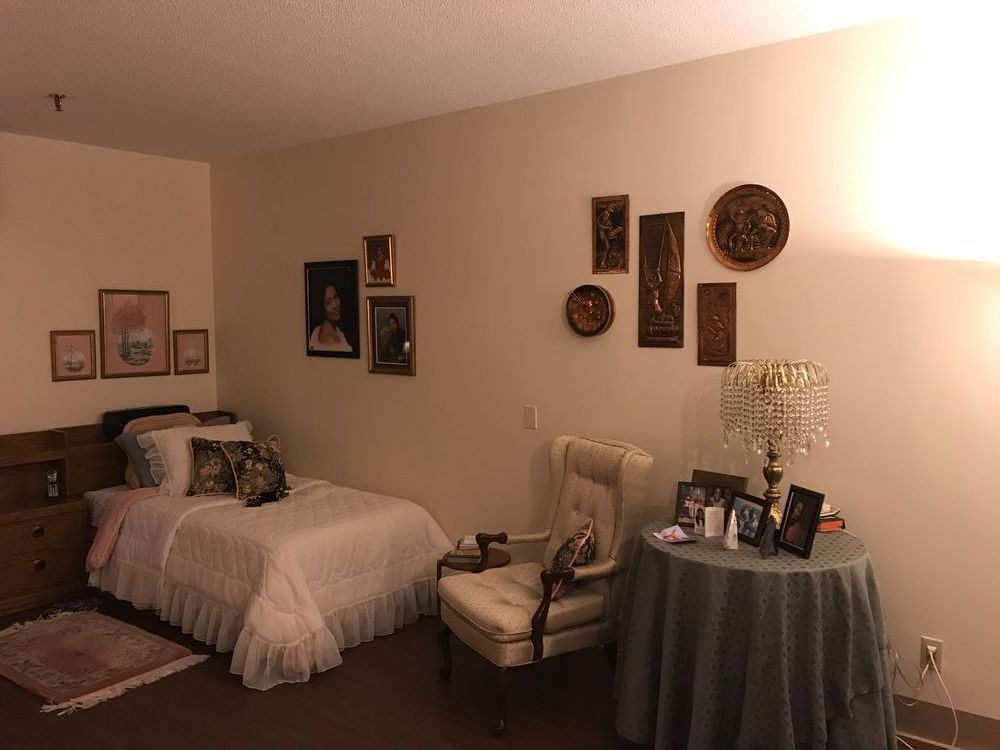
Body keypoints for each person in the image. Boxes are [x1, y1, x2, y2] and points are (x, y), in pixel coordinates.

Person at [309, 283, 352, 352]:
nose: (335, 305)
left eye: (335, 297)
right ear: (322, 308)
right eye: (328, 303)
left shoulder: (334, 329)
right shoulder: (329, 341)